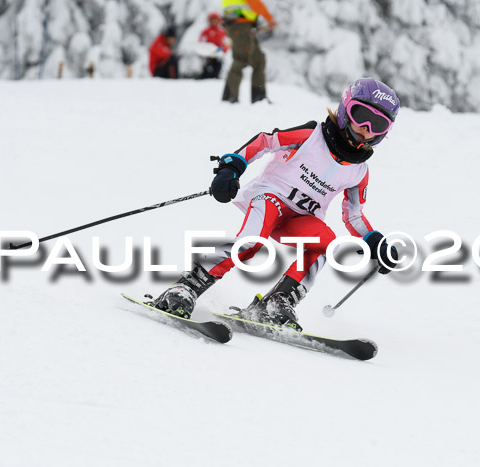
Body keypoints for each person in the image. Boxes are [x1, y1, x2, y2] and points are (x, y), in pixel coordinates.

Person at [152, 78, 401, 332]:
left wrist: (375, 241)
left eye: (378, 125)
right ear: (345, 109)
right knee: (251, 244)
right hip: (270, 199)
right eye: (361, 116)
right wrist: (232, 167)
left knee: (326, 243)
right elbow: (265, 141)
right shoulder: (312, 136)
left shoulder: (359, 171)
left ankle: (276, 303)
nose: (367, 129)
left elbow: (354, 216)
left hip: (299, 219)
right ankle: (187, 286)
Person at [220, 0, 277, 103]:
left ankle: (259, 97)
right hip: (240, 26)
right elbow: (254, 2)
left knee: (258, 60)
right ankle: (229, 97)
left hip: (243, 26)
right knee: (240, 59)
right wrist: (269, 19)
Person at [198, 12, 230, 80]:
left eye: (216, 20)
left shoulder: (222, 32)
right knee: (207, 71)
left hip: (218, 55)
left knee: (217, 70)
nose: (214, 21)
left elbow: (226, 43)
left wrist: (223, 49)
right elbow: (201, 43)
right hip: (207, 56)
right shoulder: (206, 31)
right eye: (212, 19)